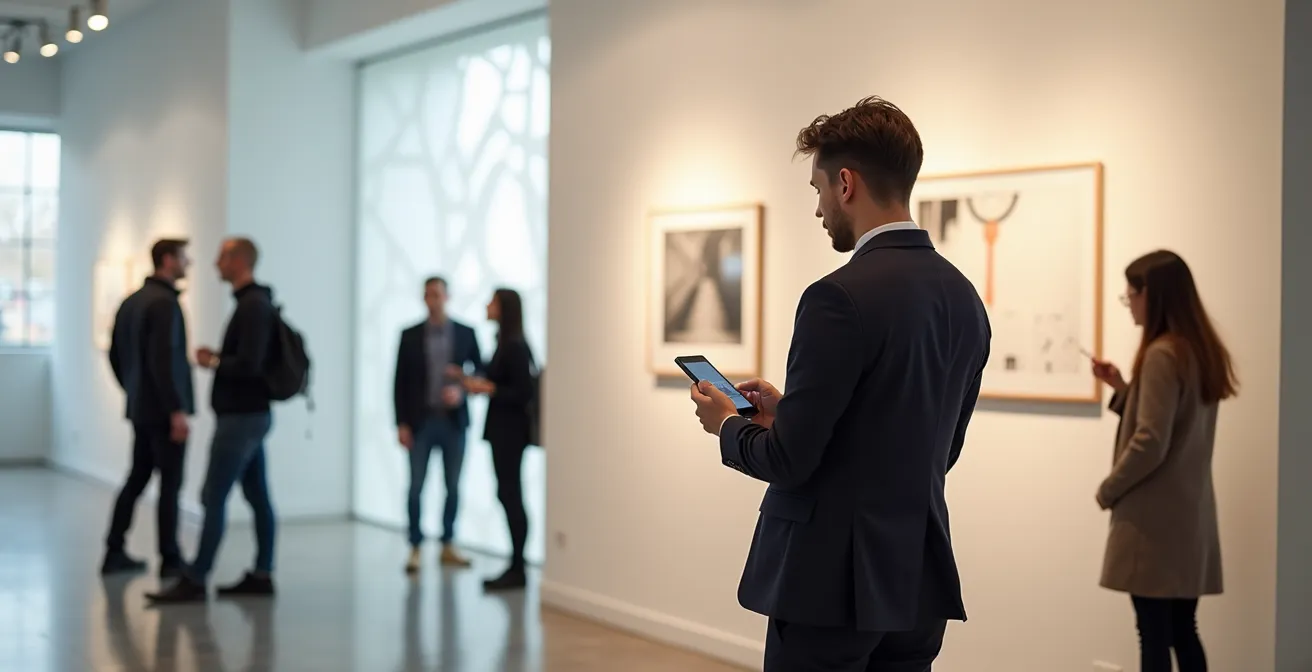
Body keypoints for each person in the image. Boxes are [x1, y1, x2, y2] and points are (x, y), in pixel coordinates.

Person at [687, 96, 990, 672]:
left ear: (846, 183)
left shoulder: (837, 296)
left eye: (818, 189)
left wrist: (727, 425)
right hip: (916, 575)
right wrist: (792, 410)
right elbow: (934, 448)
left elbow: (789, 462)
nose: (820, 207)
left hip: (828, 583)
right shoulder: (964, 298)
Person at [1091, 250, 1236, 672]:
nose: (1129, 302)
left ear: (1153, 296)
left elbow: (1151, 440)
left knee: (1153, 635)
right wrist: (1122, 388)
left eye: (1131, 294)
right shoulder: (1199, 351)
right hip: (1189, 517)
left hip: (1154, 525)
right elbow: (1175, 424)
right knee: (1182, 629)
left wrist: (1108, 489)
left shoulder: (1161, 354)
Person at [148, 237, 279, 603]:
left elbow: (250, 364)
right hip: (250, 416)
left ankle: (196, 576)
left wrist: (214, 362)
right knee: (258, 496)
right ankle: (262, 573)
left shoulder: (253, 306)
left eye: (221, 256)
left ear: (238, 261)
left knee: (213, 495)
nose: (214, 263)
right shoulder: (252, 303)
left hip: (241, 418)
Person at [102, 239, 195, 578]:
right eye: (185, 257)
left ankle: (114, 548)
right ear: (168, 261)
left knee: (137, 477)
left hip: (141, 407)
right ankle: (170, 558)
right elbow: (163, 361)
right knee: (170, 484)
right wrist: (176, 409)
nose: (190, 263)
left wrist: (134, 390)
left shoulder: (132, 301)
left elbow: (114, 356)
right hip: (162, 411)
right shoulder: (164, 304)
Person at [394, 277, 484, 573]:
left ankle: (448, 543)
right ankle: (415, 545)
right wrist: (402, 423)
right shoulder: (410, 336)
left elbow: (480, 373)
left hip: (453, 423)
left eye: (436, 294)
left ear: (447, 297)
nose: (431, 299)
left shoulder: (466, 334)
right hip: (421, 422)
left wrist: (461, 389)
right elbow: (399, 383)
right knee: (416, 486)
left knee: (453, 485)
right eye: (427, 294)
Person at [463, 289, 536, 591]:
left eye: (492, 301)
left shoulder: (516, 346)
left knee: (510, 494)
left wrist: (488, 389)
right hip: (503, 432)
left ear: (504, 308)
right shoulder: (505, 343)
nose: (486, 305)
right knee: (507, 494)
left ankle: (518, 566)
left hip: (510, 433)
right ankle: (516, 564)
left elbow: (523, 392)